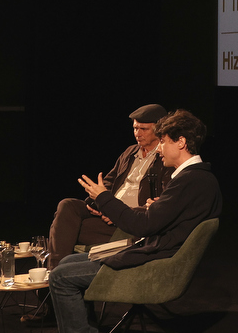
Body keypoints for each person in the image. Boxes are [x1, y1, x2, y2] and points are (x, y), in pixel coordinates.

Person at [35, 109, 220, 333]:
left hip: (154, 262)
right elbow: (166, 220)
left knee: (62, 276)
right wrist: (157, 209)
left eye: (164, 141)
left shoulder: (190, 180)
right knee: (68, 263)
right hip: (153, 250)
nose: (159, 149)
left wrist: (104, 197)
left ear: (181, 142)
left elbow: (143, 226)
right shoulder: (196, 178)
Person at [42, 103, 169, 270]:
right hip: (108, 213)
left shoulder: (166, 157)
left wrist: (119, 212)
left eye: (143, 129)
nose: (137, 133)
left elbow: (162, 205)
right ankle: (54, 272)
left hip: (131, 221)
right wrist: (97, 203)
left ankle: (56, 274)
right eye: (135, 128)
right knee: (67, 206)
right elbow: (108, 183)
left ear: (159, 128)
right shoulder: (130, 152)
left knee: (68, 230)